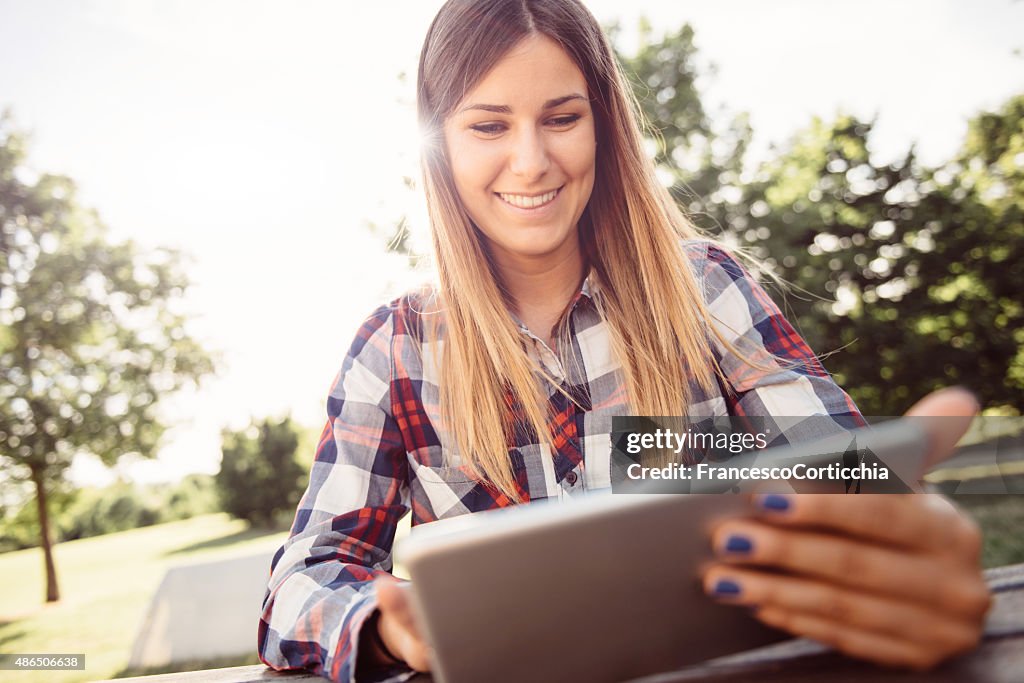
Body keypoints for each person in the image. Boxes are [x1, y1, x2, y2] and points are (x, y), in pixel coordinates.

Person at [258, 1, 991, 681]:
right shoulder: (395, 348)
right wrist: (386, 628)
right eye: (488, 126)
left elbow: (845, 482)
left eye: (562, 117)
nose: (531, 160)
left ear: (603, 123)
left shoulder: (707, 288)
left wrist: (905, 535)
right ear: (439, 145)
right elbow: (303, 577)